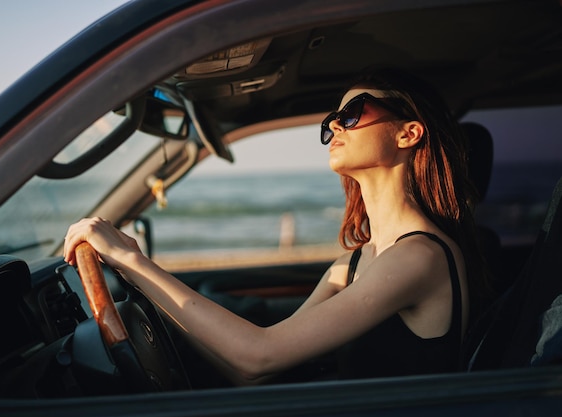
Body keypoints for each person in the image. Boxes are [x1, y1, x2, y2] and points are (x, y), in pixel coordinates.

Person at [63, 67, 487, 384]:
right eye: (331, 120)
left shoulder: (420, 257)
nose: (335, 124)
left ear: (409, 132)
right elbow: (255, 369)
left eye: (355, 112)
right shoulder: (356, 261)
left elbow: (258, 356)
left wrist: (131, 261)